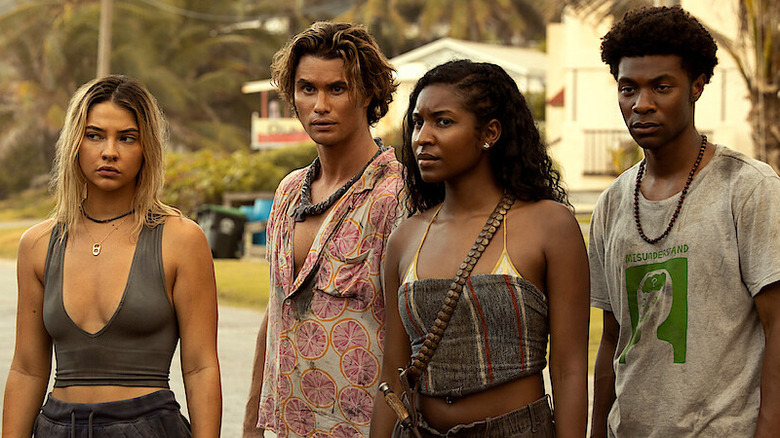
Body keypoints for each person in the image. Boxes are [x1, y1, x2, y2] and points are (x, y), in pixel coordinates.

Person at [371, 60, 589, 437]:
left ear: (490, 132)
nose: (423, 137)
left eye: (443, 121)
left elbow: (569, 369)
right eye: (418, 122)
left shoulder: (549, 225)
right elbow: (393, 373)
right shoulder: (405, 239)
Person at [589, 6, 780, 437]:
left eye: (661, 87)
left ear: (696, 87)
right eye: (627, 88)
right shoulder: (612, 204)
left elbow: (777, 329)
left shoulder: (748, 188)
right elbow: (611, 340)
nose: (641, 104)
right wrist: (597, 430)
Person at [1, 75, 222, 436]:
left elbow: (200, 367)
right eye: (94, 135)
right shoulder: (37, 244)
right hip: (58, 426)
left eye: (127, 138)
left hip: (149, 426)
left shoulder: (181, 239)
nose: (109, 151)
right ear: (75, 142)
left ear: (146, 147)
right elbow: (27, 369)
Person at [242, 22, 404, 437]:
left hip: (363, 425)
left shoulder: (398, 195)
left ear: (368, 93)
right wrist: (251, 420)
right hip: (283, 423)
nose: (319, 105)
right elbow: (276, 307)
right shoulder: (289, 190)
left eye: (337, 88)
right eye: (307, 88)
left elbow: (415, 333)